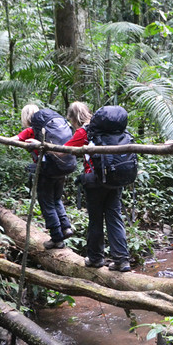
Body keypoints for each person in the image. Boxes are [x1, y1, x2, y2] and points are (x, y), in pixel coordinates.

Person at [65, 101, 131, 272]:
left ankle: (95, 258)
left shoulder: (84, 132)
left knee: (95, 220)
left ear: (73, 118)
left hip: (94, 181)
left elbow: (63, 150)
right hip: (115, 179)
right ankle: (122, 260)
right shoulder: (113, 130)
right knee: (114, 217)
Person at [17, 104, 74, 250]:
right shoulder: (50, 129)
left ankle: (57, 238)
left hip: (46, 170)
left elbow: (12, 139)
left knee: (47, 202)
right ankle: (66, 227)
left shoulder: (30, 131)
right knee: (56, 199)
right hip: (61, 167)